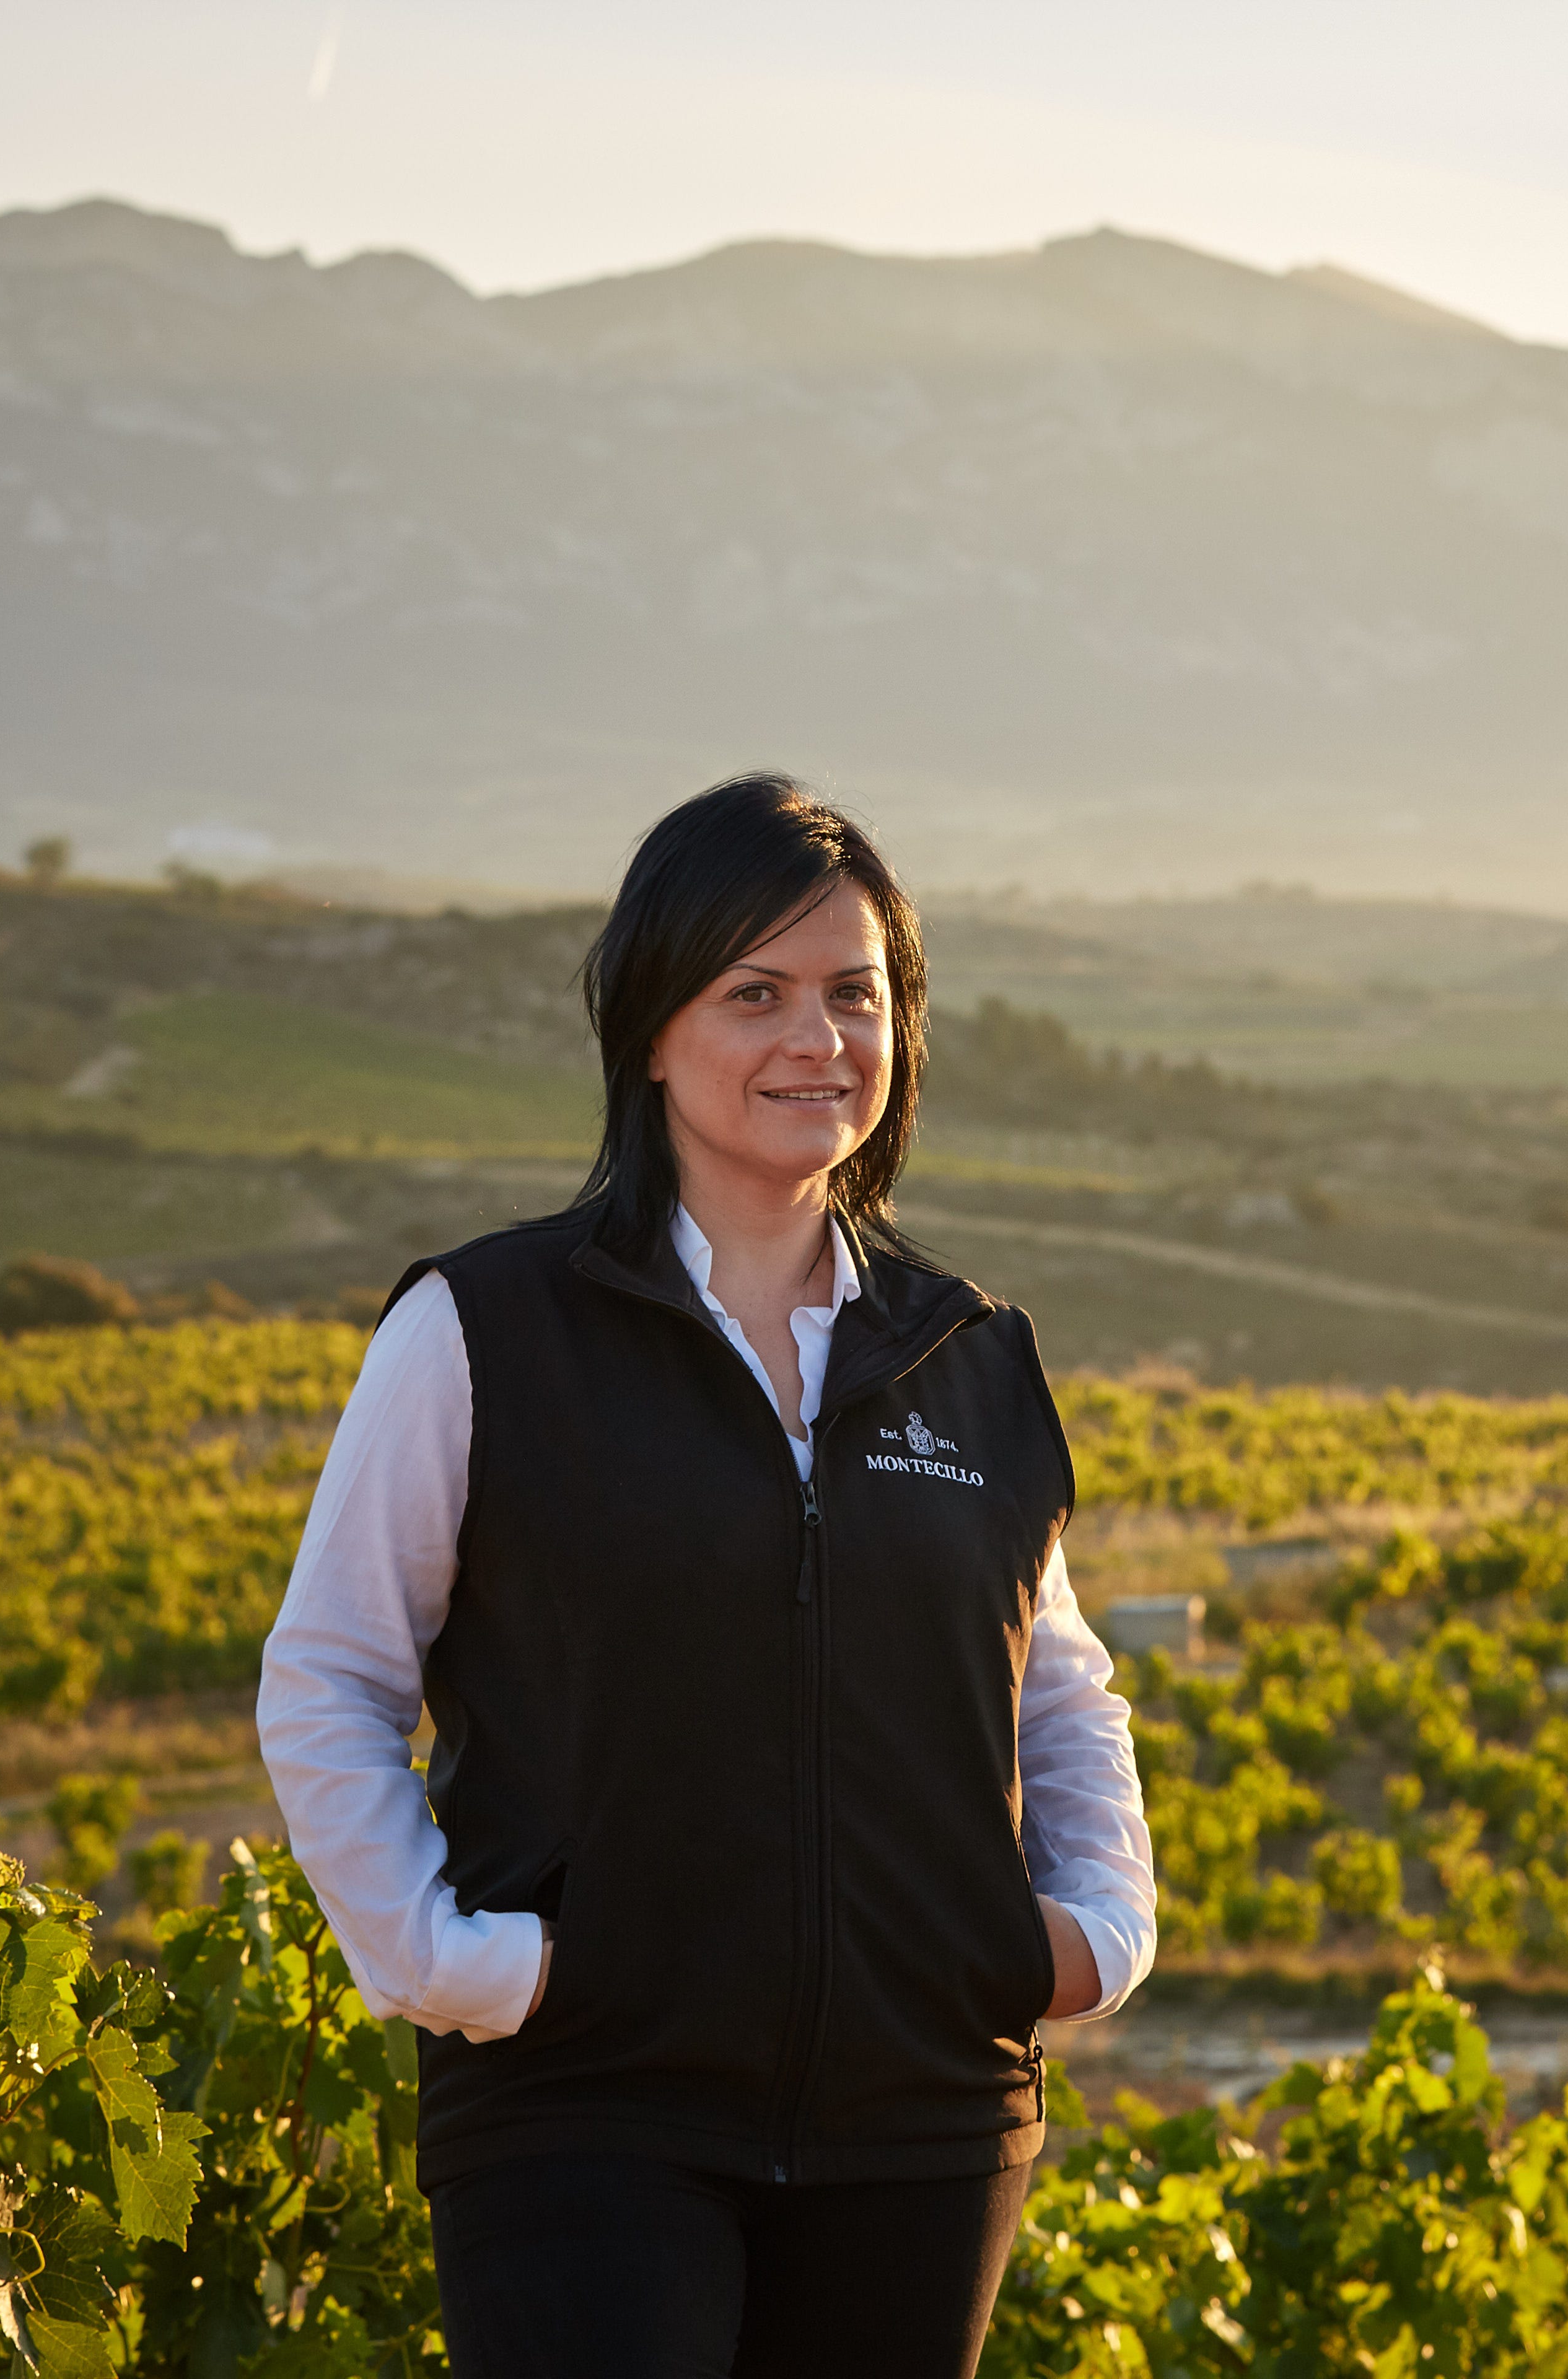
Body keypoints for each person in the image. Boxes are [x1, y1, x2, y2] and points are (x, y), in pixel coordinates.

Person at [257, 774, 1157, 2378]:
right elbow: (330, 1674)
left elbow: (1056, 1680)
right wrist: (460, 1967)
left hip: (924, 2125)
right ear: (651, 1029)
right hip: (584, 2108)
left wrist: (1091, 1932)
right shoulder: (484, 1332)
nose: (819, 1038)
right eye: (757, 993)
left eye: (855, 995)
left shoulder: (967, 1354)